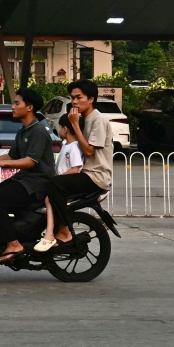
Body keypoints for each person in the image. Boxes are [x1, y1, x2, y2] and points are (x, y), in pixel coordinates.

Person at [0, 87, 56, 263]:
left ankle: (14, 243)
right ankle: (12, 235)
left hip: (36, 183)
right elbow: (12, 155)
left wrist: (2, 163)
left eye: (17, 103)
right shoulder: (23, 130)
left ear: (29, 107)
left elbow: (31, 161)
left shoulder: (38, 131)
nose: (13, 107)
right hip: (24, 180)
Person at [44, 79, 114, 247]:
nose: (74, 101)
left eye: (79, 97)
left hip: (95, 176)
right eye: (72, 97)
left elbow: (89, 151)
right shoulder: (82, 119)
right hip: (84, 173)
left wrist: (75, 124)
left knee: (55, 184)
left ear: (91, 99)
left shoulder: (98, 120)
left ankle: (63, 231)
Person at [33, 114, 84, 252]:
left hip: (63, 185)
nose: (59, 130)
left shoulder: (74, 147)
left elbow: (75, 169)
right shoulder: (65, 145)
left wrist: (57, 179)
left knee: (49, 199)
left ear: (66, 129)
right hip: (57, 182)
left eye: (60, 127)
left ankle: (49, 234)